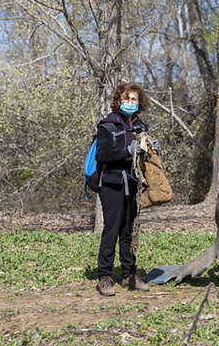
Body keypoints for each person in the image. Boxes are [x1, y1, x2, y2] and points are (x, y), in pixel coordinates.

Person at [95, 82, 154, 296]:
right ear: (119, 101)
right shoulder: (108, 125)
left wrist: (150, 148)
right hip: (111, 183)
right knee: (112, 229)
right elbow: (103, 155)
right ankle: (105, 276)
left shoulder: (140, 126)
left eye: (134, 100)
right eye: (126, 99)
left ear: (140, 103)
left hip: (133, 183)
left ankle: (129, 274)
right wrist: (127, 150)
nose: (130, 103)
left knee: (129, 229)